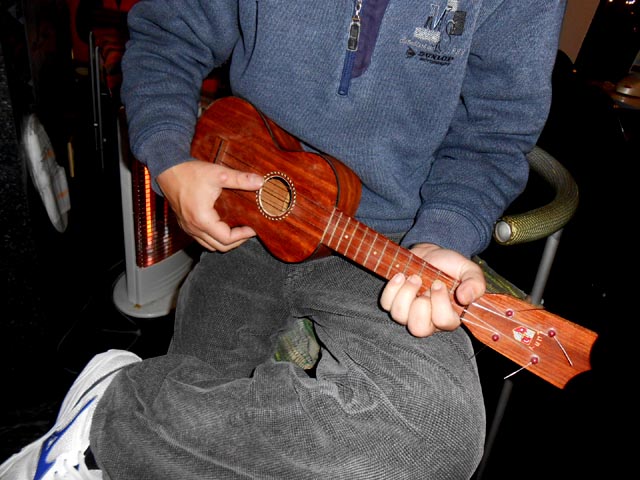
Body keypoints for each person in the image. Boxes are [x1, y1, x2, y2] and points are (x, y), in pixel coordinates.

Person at [1, 1, 567, 478]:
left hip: (391, 242)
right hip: (250, 214)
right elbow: (170, 31)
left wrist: (445, 234)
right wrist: (170, 158)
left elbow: (493, 135)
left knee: (439, 435)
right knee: (206, 417)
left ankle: (109, 412)